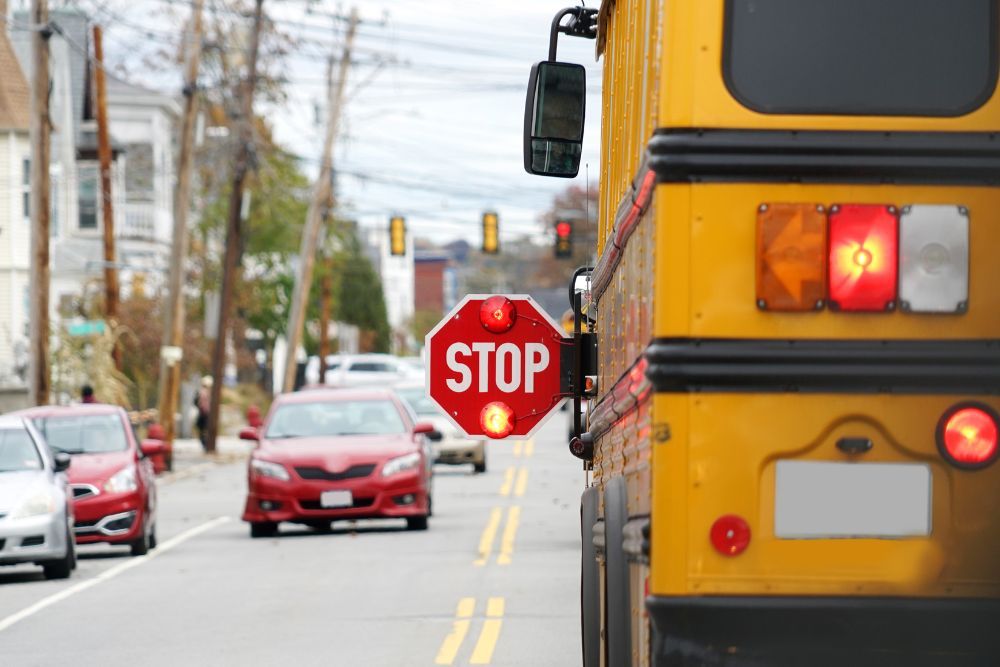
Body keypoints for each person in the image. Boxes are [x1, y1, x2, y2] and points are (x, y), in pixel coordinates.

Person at [195, 376, 212, 450]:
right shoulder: (204, 392)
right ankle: (205, 444)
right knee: (204, 430)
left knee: (203, 430)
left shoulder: (202, 392)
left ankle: (205, 444)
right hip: (205, 413)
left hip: (204, 413)